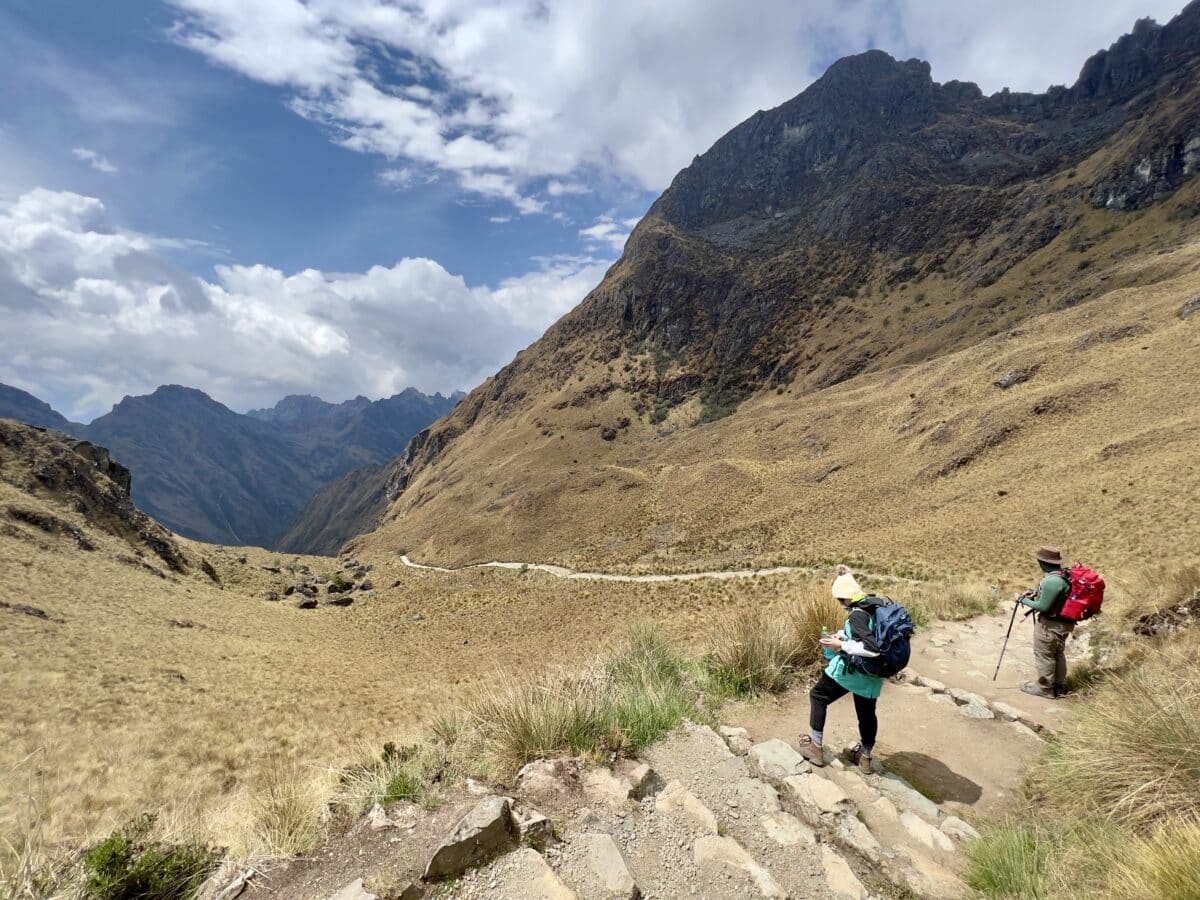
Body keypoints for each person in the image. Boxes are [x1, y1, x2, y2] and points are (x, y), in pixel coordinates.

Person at [798, 565, 883, 774]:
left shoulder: (856, 615)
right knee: (866, 715)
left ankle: (815, 748)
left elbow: (872, 649)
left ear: (845, 598)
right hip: (873, 676)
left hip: (854, 671)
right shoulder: (872, 604)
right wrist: (843, 635)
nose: (839, 603)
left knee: (818, 695)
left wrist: (840, 645)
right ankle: (864, 758)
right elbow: (867, 635)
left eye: (839, 599)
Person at [1018, 546, 1074, 699]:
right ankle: (1059, 686)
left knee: (1044, 655)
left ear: (1043, 562)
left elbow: (1043, 606)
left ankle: (1044, 688)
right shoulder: (1064, 576)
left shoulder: (1051, 581)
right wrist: (1037, 594)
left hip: (1050, 625)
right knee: (1057, 654)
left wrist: (1023, 600)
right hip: (1065, 624)